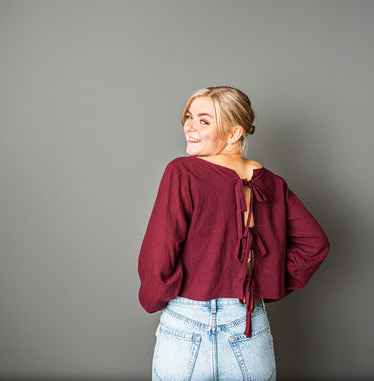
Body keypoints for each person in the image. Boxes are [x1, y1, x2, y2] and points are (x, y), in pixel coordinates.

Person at [138, 86, 329, 380]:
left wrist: (156, 298)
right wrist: (267, 283)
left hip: (187, 324)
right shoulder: (273, 184)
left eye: (204, 120)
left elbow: (158, 256)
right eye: (189, 116)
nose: (189, 126)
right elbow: (315, 245)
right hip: (247, 322)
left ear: (234, 133)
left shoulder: (182, 173)